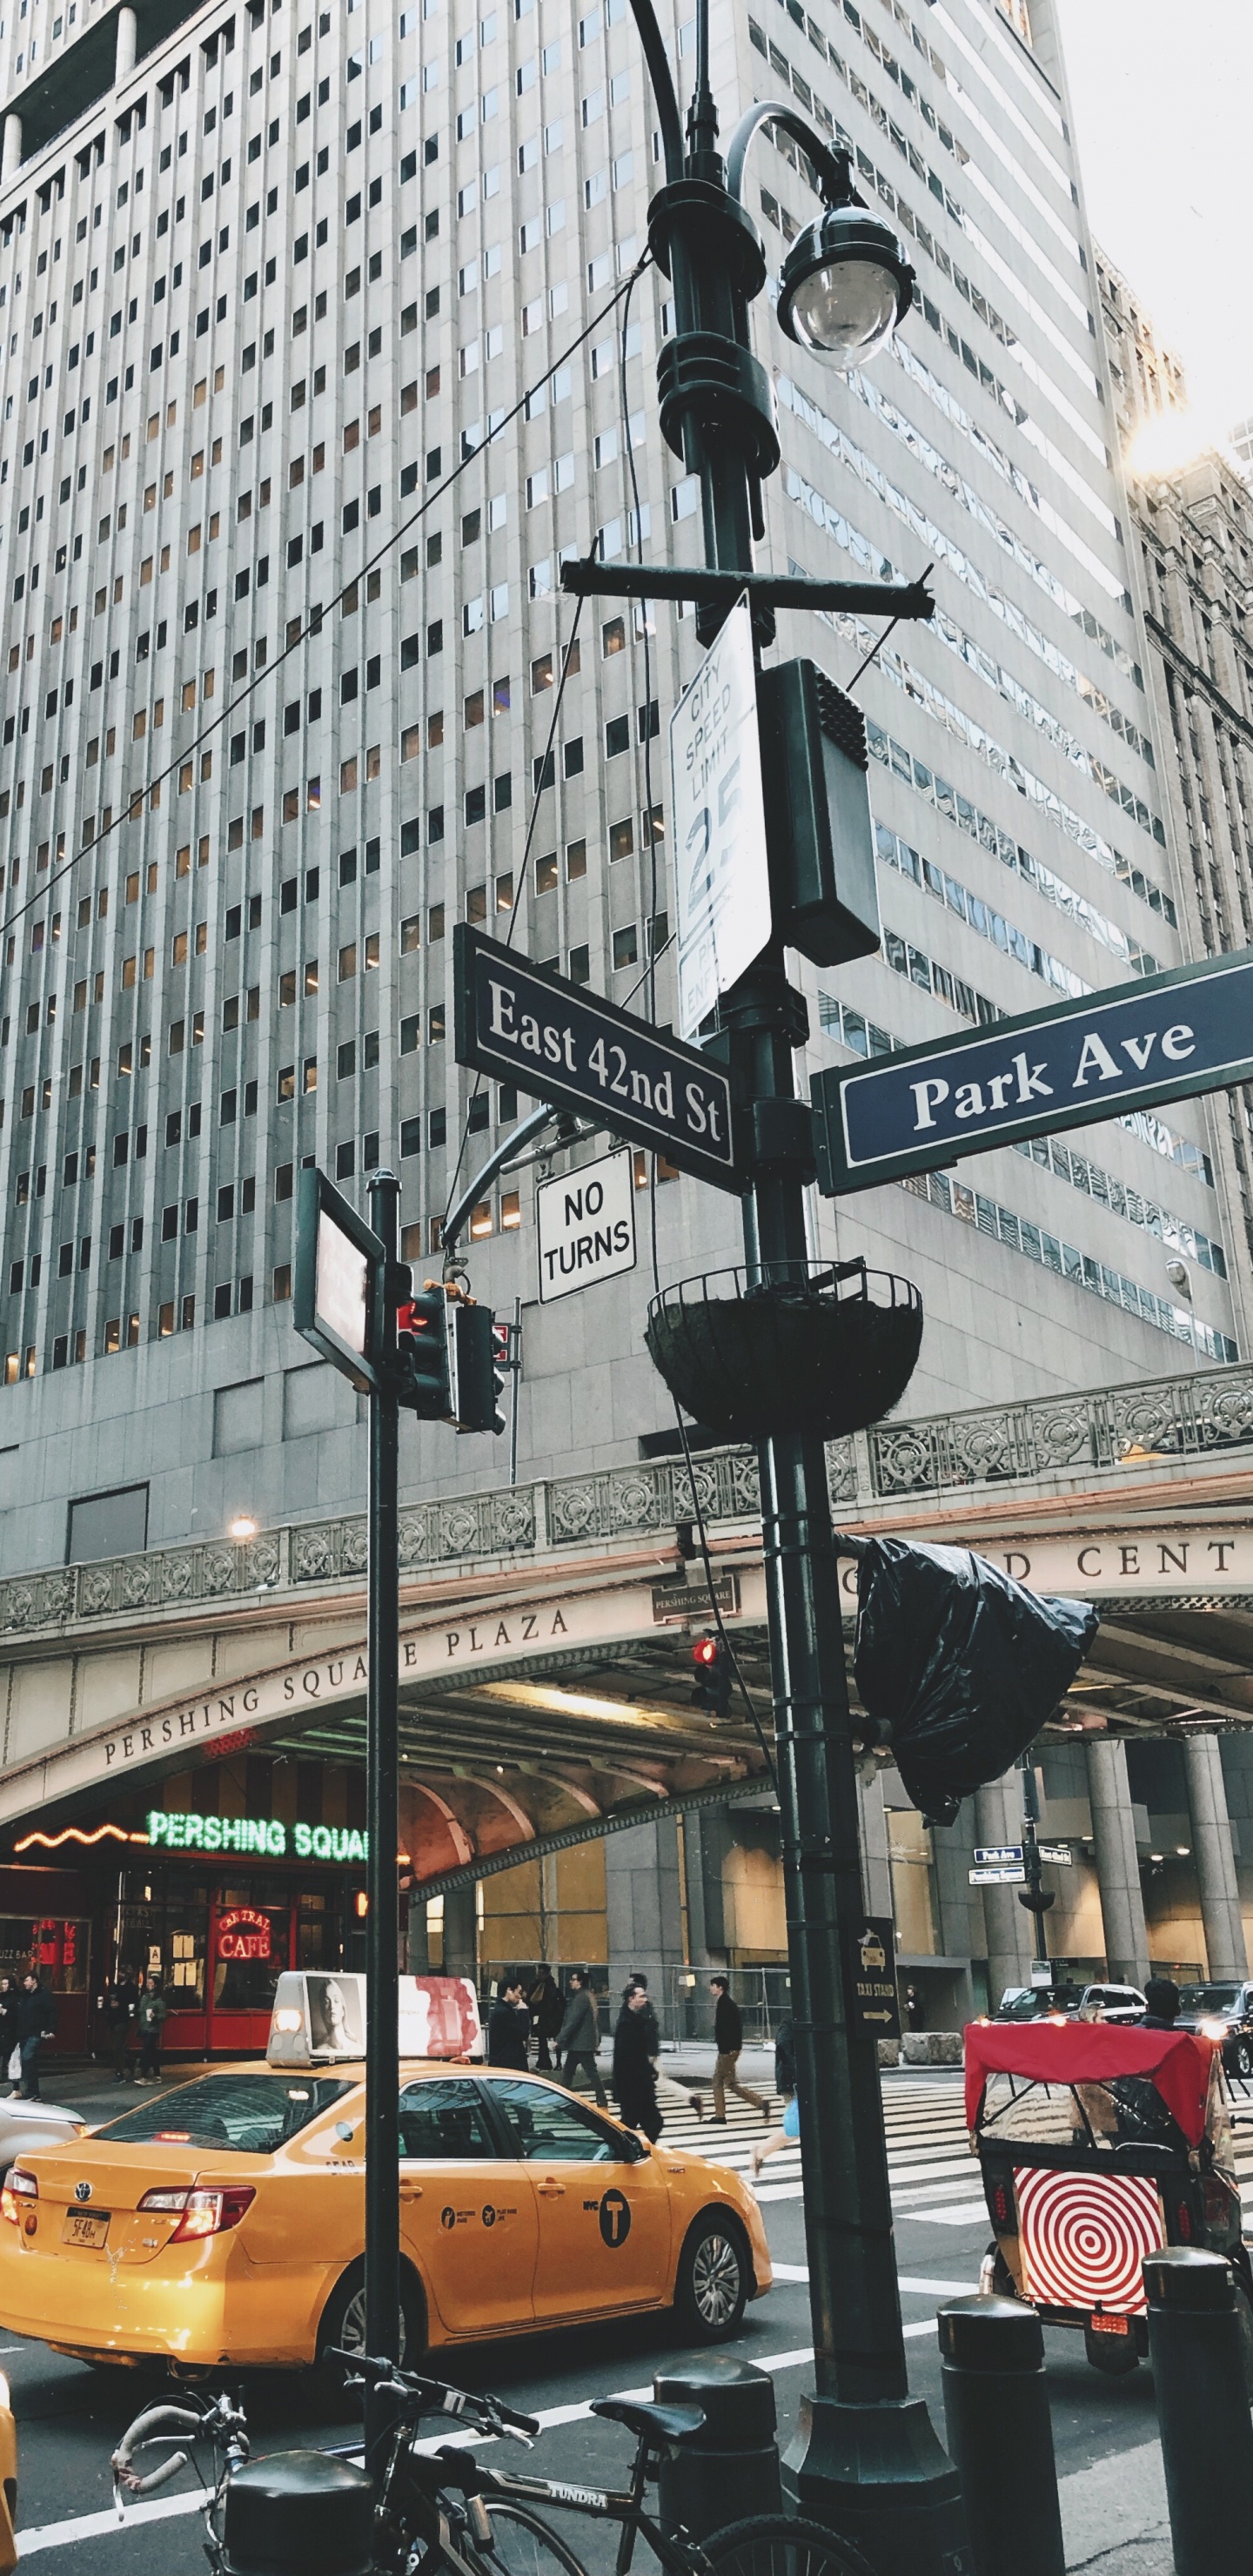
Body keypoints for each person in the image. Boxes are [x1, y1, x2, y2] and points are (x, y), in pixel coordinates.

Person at [709, 1974, 767, 2123]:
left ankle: (720, 2115)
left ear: (720, 1987)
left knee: (717, 2081)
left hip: (727, 2050)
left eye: (713, 1986)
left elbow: (726, 2030)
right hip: (732, 2049)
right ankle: (760, 2103)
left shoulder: (724, 2005)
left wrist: (725, 2049)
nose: (711, 1989)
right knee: (731, 2083)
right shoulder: (727, 2003)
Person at [751, 2012, 798, 2181]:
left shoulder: (793, 2022)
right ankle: (761, 2150)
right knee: (796, 2127)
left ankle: (762, 2150)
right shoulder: (790, 2023)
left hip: (795, 2081)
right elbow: (785, 2048)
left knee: (800, 2126)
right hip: (793, 2082)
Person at [613, 1983, 662, 2143]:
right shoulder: (626, 2024)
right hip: (632, 2084)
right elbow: (626, 2056)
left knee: (640, 2123)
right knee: (641, 2123)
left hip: (638, 2082)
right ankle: (630, 2152)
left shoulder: (640, 2017)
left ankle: (634, 2151)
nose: (645, 1999)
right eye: (641, 1996)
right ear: (631, 1999)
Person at [557, 1969, 607, 2107]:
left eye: (573, 1980)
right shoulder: (588, 1996)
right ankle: (564, 2096)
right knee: (570, 2072)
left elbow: (573, 2021)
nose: (570, 1982)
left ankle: (601, 2099)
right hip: (582, 2043)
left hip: (581, 2043)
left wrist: (559, 2040)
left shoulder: (581, 1999)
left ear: (579, 1982)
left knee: (587, 2072)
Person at [15, 1970, 56, 2101]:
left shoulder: (44, 1995)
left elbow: (52, 2012)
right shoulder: (25, 1996)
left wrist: (51, 2030)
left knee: (27, 2057)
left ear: (34, 1980)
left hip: (37, 2032)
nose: (25, 1983)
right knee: (27, 2061)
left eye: (27, 1980)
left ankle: (32, 2091)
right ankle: (32, 2092)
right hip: (24, 2032)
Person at [487, 1974, 531, 2071]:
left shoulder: (502, 2009)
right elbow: (523, 2033)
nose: (520, 1997)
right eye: (518, 1992)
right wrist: (523, 2011)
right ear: (509, 1990)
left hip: (504, 2062)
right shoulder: (504, 2012)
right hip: (508, 2063)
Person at [106, 1971, 138, 2082]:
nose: (120, 1975)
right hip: (113, 2020)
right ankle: (130, 2062)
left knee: (118, 2047)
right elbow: (108, 2000)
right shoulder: (115, 1987)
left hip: (123, 2020)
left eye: (122, 1973)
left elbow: (133, 2004)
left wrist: (121, 2005)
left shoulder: (131, 1988)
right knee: (117, 2047)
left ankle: (119, 2073)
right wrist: (110, 2004)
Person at [529, 1969, 564, 2072]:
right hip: (549, 2017)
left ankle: (547, 2062)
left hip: (548, 2017)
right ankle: (548, 2061)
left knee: (544, 2040)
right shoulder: (547, 1986)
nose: (539, 1975)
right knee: (545, 2040)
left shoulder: (546, 1987)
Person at [137, 1975, 168, 2083]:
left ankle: (144, 2076)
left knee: (146, 2051)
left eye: (151, 1983)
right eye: (148, 1983)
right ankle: (157, 2075)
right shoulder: (145, 1997)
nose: (149, 1985)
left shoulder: (159, 1999)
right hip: (145, 2027)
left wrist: (156, 2016)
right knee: (152, 2052)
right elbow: (140, 2010)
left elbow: (163, 2015)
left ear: (156, 1985)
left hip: (153, 2029)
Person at [0, 1979, 19, 2093]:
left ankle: (15, 2086)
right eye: (2, 1984)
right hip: (2, 2030)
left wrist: (4, 2012)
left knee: (10, 2058)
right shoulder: (2, 1996)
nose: (3, 1986)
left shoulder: (15, 1998)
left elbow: (17, 2015)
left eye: (6, 1984)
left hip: (10, 2032)